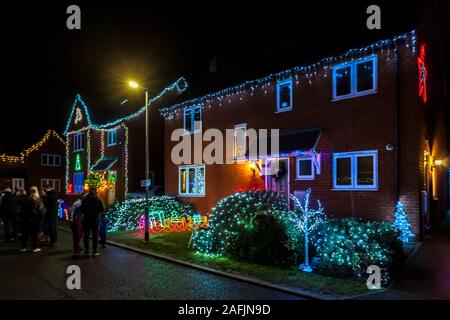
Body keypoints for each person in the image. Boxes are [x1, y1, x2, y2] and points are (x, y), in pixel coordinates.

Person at [81, 187, 105, 256]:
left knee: (86, 235)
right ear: (95, 191)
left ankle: (86, 251)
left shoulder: (85, 199)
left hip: (86, 219)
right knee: (95, 236)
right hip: (95, 219)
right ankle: (94, 251)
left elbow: (82, 209)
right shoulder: (98, 199)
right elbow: (102, 209)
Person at [18, 187, 44, 252]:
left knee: (25, 234)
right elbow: (41, 212)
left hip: (26, 220)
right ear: (36, 191)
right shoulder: (38, 201)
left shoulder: (26, 199)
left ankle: (23, 247)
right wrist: (40, 220)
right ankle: (34, 248)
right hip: (34, 220)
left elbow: (22, 210)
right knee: (34, 234)